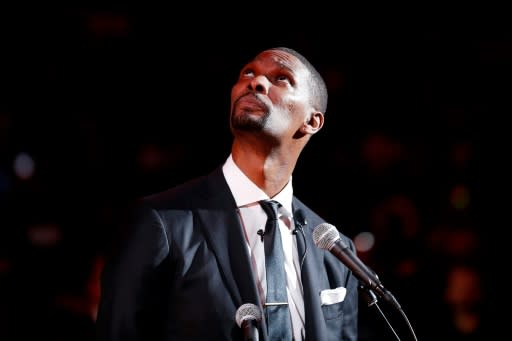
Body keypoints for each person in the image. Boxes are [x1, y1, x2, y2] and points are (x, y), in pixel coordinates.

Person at [96, 46, 359, 340]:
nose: (256, 82)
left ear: (312, 121)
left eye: (281, 78)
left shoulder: (336, 252)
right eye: (248, 72)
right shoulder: (161, 223)